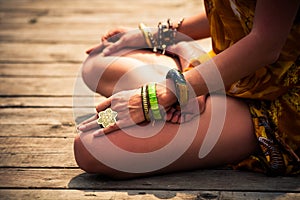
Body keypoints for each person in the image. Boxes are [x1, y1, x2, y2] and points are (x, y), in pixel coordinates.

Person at [74, 0, 300, 179]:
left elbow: (266, 45)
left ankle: (188, 77)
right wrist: (163, 34)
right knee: (100, 58)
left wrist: (170, 90)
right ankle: (189, 70)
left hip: (274, 98)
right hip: (226, 69)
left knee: (89, 148)